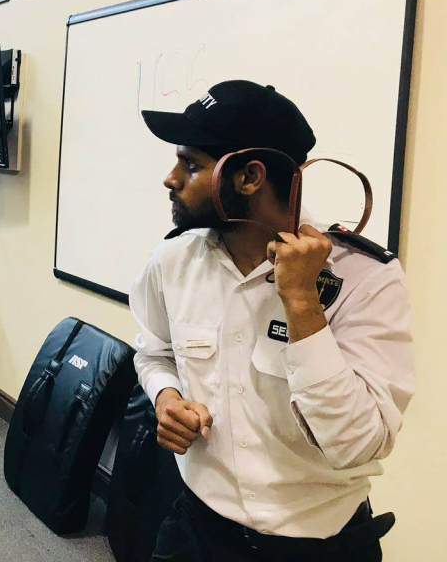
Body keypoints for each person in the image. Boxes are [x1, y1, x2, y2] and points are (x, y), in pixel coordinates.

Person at [131, 80, 414, 561]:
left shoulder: (364, 277)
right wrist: (166, 396)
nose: (171, 178)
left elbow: (358, 443)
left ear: (249, 177)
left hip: (317, 546)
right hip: (195, 531)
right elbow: (154, 351)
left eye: (192, 164)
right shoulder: (172, 260)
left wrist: (302, 300)